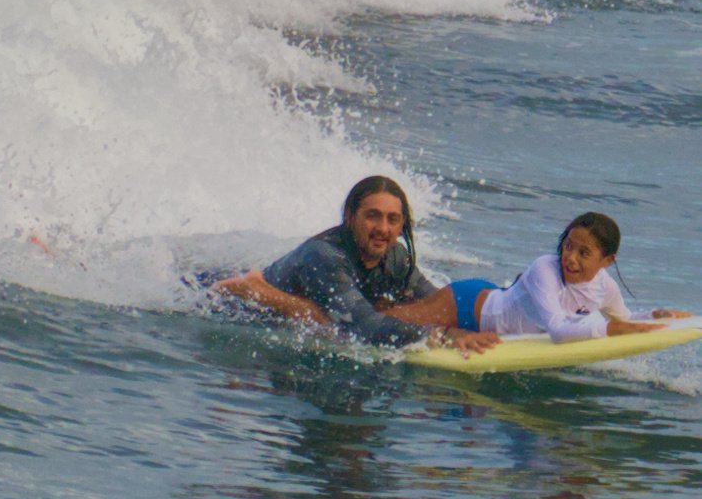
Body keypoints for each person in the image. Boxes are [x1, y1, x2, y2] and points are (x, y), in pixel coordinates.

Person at [214, 176, 499, 354]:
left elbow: (436, 302)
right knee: (333, 327)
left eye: (392, 219)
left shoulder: (397, 258)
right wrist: (445, 334)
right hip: (236, 310)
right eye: (372, 216)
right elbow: (365, 327)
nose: (382, 228)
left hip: (337, 304)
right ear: (350, 216)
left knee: (348, 318)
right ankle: (254, 289)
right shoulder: (325, 256)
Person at [375, 210, 690, 341]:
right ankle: (356, 303)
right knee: (386, 321)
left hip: (498, 302)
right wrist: (610, 329)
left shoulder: (604, 287)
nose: (570, 258)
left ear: (607, 260)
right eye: (568, 246)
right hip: (468, 305)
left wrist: (654, 315)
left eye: (584, 253)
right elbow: (556, 329)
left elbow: (623, 318)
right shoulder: (545, 268)